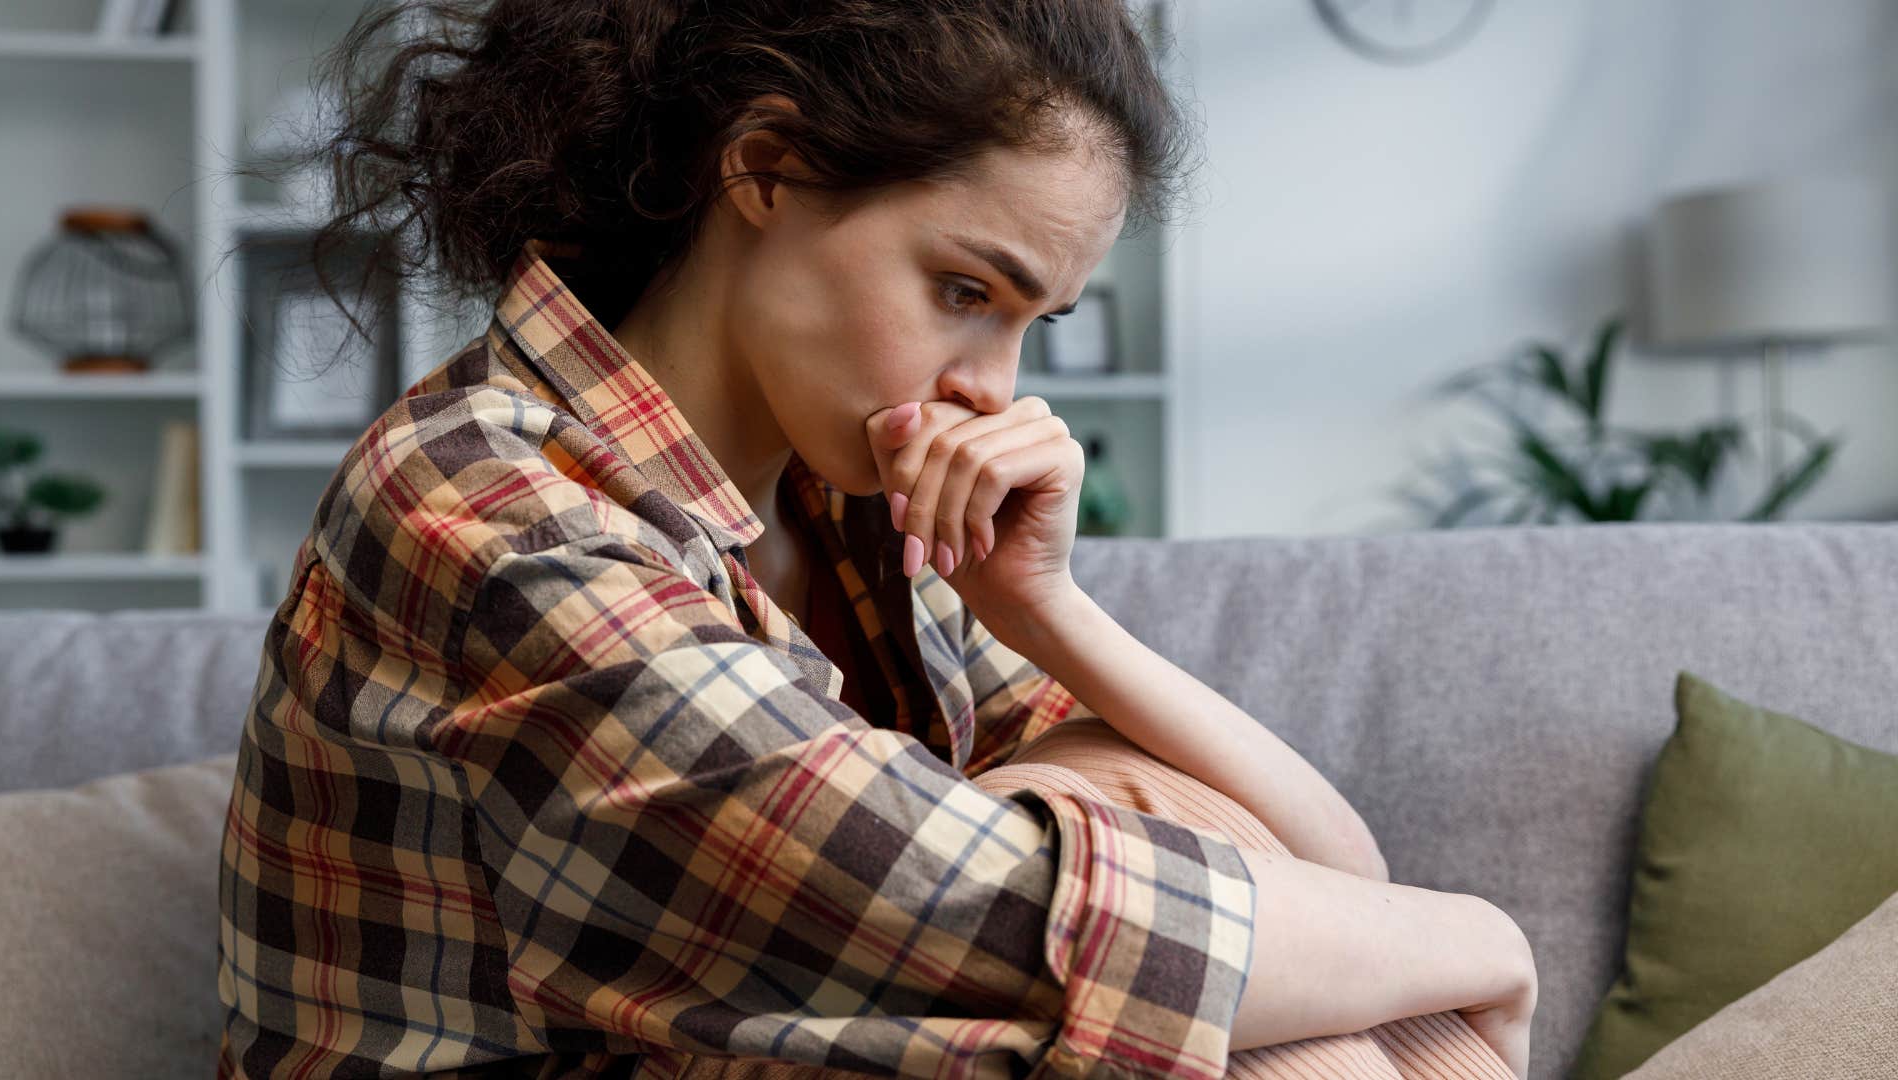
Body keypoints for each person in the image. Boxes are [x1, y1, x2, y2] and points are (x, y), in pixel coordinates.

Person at [214, 1, 1538, 1077]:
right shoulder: (490, 506)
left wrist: (1050, 611)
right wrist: (1475, 939)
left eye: (1035, 323)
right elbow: (979, 914)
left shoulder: (851, 500)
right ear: (765, 168)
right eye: (964, 292)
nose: (994, 390)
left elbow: (1312, 865)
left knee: (1192, 902)